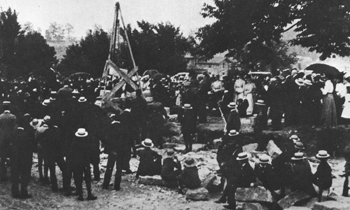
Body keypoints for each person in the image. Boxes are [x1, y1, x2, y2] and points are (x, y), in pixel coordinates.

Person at [66, 128, 97, 201]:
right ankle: (89, 194)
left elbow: (71, 154)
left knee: (78, 179)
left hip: (77, 163)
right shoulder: (88, 143)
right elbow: (91, 153)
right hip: (86, 163)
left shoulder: (74, 143)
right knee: (87, 178)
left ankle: (80, 194)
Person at [10, 120, 34, 198]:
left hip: (14, 158)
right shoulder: (26, 135)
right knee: (24, 175)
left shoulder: (12, 134)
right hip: (24, 159)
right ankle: (24, 192)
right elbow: (30, 148)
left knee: (14, 175)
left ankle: (15, 192)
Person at [0, 101, 17, 182]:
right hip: (11, 140)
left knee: (2, 157)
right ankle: (13, 174)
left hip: (2, 139)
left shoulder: (0, 117)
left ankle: (3, 174)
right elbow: (15, 129)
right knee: (13, 156)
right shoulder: (13, 117)